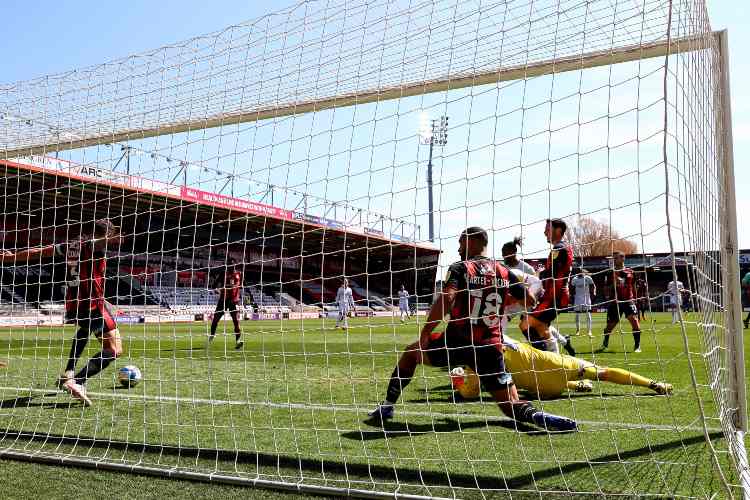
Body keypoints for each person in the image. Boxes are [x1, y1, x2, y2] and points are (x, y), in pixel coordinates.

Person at [368, 227, 577, 432]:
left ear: (474, 241)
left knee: (411, 354)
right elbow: (529, 300)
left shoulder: (461, 268)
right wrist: (501, 300)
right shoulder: (503, 271)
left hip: (457, 341)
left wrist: (426, 331)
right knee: (510, 405)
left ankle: (387, 406)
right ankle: (538, 416)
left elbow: (447, 298)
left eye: (461, 242)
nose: (459, 248)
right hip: (490, 347)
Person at [1, 219, 122, 406]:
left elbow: (39, 252)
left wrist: (11, 258)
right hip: (91, 304)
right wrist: (112, 237)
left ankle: (69, 373)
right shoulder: (94, 246)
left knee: (86, 329)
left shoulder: (70, 245)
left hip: (75, 304)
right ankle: (77, 382)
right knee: (114, 350)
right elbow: (100, 242)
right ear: (105, 235)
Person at [452, 335, 673, 400]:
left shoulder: (475, 357)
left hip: (544, 391)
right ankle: (653, 384)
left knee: (516, 381)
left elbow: (471, 393)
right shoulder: (496, 333)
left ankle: (575, 386)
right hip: (555, 363)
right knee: (602, 373)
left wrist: (457, 381)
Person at [519, 219, 575, 356]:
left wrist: (537, 275)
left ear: (558, 231)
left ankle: (545, 360)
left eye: (547, 229)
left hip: (554, 297)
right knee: (541, 328)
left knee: (526, 324)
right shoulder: (560, 248)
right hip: (553, 296)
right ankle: (554, 359)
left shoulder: (559, 248)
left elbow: (553, 273)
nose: (545, 233)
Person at [601, 251, 641, 353]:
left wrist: (636, 300)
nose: (614, 260)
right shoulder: (610, 273)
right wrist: (614, 284)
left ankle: (637, 346)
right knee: (610, 327)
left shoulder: (630, 272)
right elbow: (605, 289)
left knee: (635, 322)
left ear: (623, 258)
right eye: (613, 258)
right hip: (615, 302)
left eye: (616, 258)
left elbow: (634, 286)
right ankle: (605, 341)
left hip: (628, 300)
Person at [209, 260, 244, 349]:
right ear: (227, 266)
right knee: (215, 320)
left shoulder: (239, 274)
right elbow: (214, 285)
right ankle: (212, 335)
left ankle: (238, 342)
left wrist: (236, 292)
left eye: (233, 265)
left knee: (236, 322)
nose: (232, 267)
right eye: (230, 266)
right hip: (223, 301)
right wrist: (218, 290)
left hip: (233, 301)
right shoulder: (223, 274)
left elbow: (241, 285)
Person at [570, 269, 596, 337]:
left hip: (586, 298)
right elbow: (572, 286)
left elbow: (593, 285)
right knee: (577, 315)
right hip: (578, 299)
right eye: (578, 271)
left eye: (581, 271)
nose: (579, 272)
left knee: (588, 314)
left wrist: (594, 292)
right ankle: (578, 331)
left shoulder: (587, 278)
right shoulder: (574, 279)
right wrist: (572, 296)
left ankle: (589, 331)